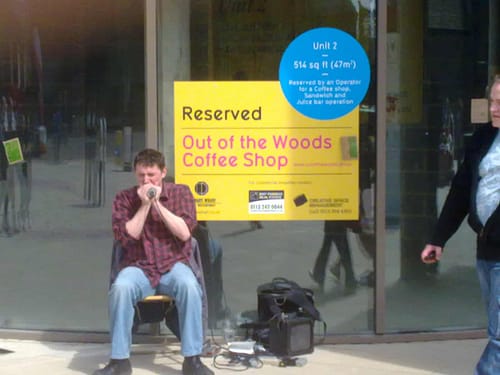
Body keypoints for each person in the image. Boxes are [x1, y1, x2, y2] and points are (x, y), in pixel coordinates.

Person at [93, 148, 213, 375]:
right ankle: (119, 361)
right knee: (120, 288)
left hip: (174, 263)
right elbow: (127, 236)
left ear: (163, 173)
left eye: (151, 175)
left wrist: (158, 204)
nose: (146, 180)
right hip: (138, 264)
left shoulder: (181, 193)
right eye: (141, 176)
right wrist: (145, 205)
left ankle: (192, 359)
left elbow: (185, 233)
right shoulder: (124, 199)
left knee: (189, 287)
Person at [420, 75, 500, 375]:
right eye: (492, 101)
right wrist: (438, 238)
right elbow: (460, 190)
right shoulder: (483, 138)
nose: (493, 109)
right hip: (486, 251)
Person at [309, 220, 358, 294]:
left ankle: (319, 274)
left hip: (335, 220)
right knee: (338, 245)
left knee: (333, 245)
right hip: (337, 220)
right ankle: (349, 279)